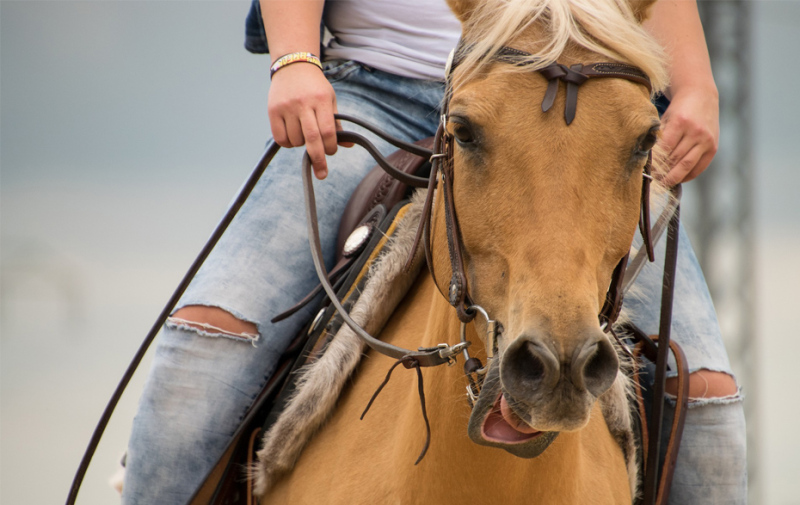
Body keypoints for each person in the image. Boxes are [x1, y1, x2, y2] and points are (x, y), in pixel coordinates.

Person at [121, 0, 746, 503]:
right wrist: (293, 58)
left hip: (580, 104)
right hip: (367, 92)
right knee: (208, 346)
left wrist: (694, 86)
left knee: (706, 402)